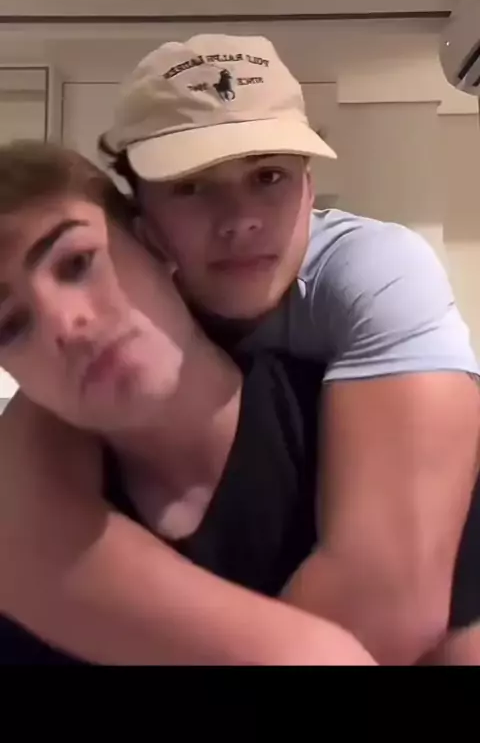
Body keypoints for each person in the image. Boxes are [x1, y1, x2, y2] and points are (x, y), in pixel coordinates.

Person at [0, 143, 479, 667]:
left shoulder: (387, 438)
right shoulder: (26, 563)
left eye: (76, 263)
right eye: (10, 325)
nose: (66, 325)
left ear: (151, 245)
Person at [98, 33, 480, 664]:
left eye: (268, 176)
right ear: (140, 218)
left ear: (308, 188)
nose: (240, 218)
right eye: (192, 187)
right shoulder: (108, 300)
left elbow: (387, 604)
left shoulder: (374, 271)